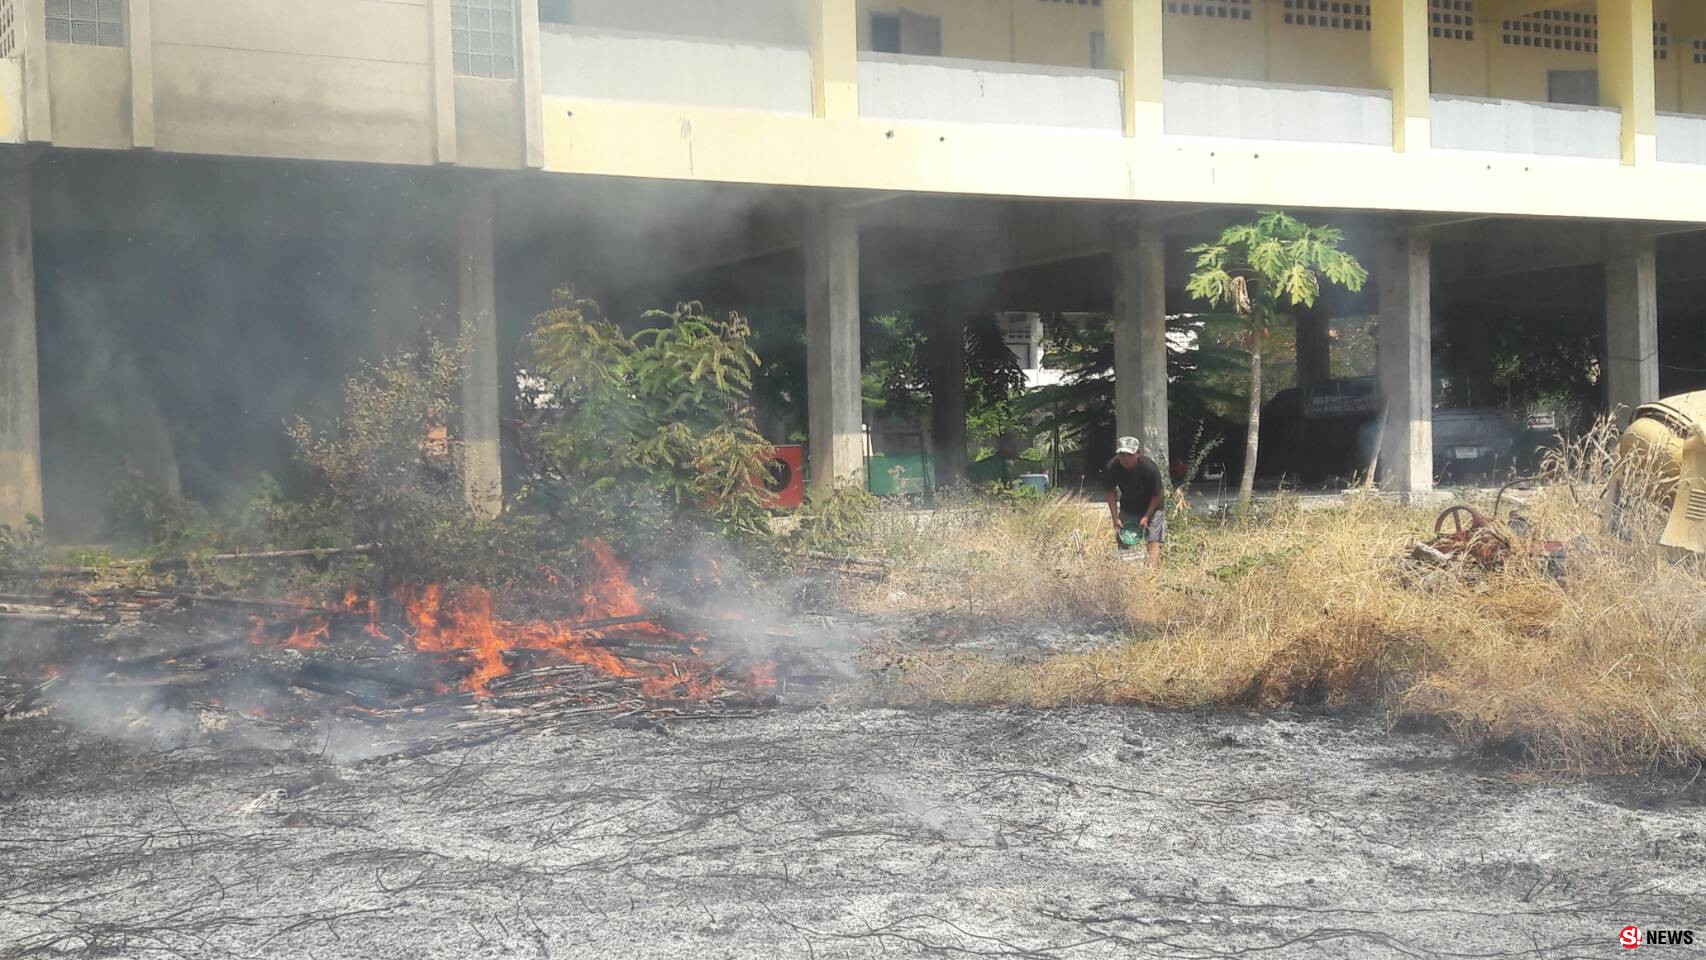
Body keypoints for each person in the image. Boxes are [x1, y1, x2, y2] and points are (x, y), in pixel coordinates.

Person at [1106, 436, 1164, 564]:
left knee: (1153, 538)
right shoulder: (1113, 466)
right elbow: (1110, 492)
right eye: (1122, 455)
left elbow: (1157, 494)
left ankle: (1151, 572)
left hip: (1152, 506)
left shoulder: (1149, 468)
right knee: (1122, 537)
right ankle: (1126, 568)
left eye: (1129, 455)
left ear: (1137, 454)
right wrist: (1115, 518)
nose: (1125, 459)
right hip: (1129, 505)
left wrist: (1147, 516)